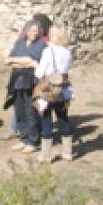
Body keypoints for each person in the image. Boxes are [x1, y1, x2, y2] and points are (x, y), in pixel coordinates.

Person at [5, 19, 47, 155]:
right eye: (32, 31)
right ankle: (24, 138)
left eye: (36, 31)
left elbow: (34, 59)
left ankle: (33, 141)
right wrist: (23, 62)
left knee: (31, 112)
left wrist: (17, 61)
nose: (34, 33)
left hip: (31, 82)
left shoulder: (41, 44)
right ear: (26, 31)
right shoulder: (20, 42)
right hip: (16, 81)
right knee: (19, 111)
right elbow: (9, 59)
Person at [34, 25, 75, 163]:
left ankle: (46, 155)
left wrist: (36, 69)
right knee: (63, 118)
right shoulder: (67, 52)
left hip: (48, 90)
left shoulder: (47, 51)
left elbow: (39, 73)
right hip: (63, 90)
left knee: (46, 120)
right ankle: (67, 152)